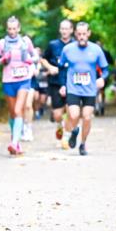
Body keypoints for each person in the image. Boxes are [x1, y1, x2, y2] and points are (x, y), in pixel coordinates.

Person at [51, 21, 109, 156]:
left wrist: (102, 78)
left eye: (84, 34)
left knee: (87, 117)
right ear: (76, 34)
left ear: (89, 34)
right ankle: (74, 131)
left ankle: (83, 144)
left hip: (90, 90)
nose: (82, 36)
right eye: (79, 34)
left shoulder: (96, 50)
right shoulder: (68, 49)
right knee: (74, 115)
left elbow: (105, 70)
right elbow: (61, 69)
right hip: (73, 89)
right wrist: (63, 85)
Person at [0, 16, 36, 155]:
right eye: (10, 29)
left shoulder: (25, 41)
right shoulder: (2, 43)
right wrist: (2, 59)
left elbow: (35, 57)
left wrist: (29, 60)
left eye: (14, 28)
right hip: (8, 81)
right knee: (12, 113)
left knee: (18, 110)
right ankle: (15, 140)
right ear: (7, 29)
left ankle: (15, 143)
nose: (12, 31)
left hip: (23, 81)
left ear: (19, 28)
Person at [41, 19, 74, 148]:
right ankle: (59, 126)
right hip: (55, 83)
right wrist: (50, 67)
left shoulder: (76, 45)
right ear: (60, 30)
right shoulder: (53, 45)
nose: (64, 31)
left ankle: (66, 137)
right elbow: (43, 59)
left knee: (71, 111)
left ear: (71, 30)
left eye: (67, 28)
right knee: (57, 115)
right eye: (62, 28)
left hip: (72, 83)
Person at [22, 46, 44, 140]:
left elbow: (37, 67)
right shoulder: (17, 55)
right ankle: (22, 125)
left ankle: (29, 128)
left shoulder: (33, 56)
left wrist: (36, 70)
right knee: (22, 106)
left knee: (28, 105)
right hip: (19, 82)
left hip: (30, 82)